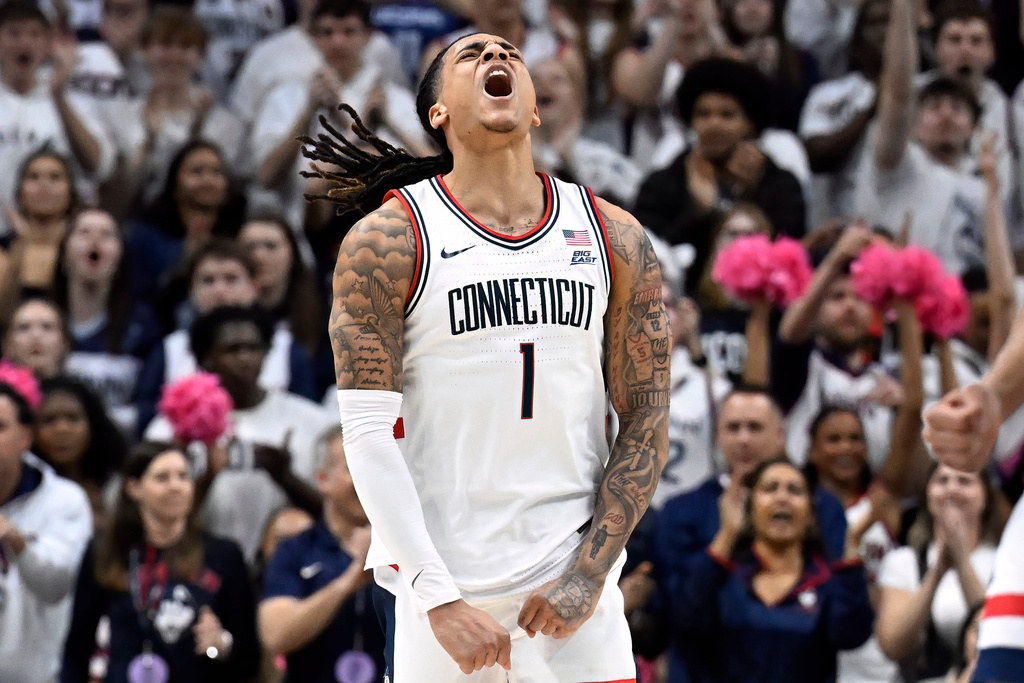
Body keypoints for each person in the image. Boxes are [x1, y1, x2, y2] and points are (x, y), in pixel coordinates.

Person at [307, 32, 668, 680]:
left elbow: (645, 417)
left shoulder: (613, 235)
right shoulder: (389, 240)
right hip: (445, 596)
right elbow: (367, 434)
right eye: (471, 56)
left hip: (573, 598)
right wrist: (436, 596)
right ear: (437, 112)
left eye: (510, 54)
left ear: (534, 108)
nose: (496, 59)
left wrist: (588, 574)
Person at [653, 388, 848, 681]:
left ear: (781, 435)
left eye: (755, 428)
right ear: (717, 435)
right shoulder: (680, 512)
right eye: (733, 428)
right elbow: (679, 613)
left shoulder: (822, 508)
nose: (743, 438)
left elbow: (838, 612)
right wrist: (725, 540)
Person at [60, 441, 260, 683]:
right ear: (134, 488)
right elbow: (77, 648)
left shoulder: (224, 555)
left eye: (183, 477)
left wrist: (220, 645)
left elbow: (249, 659)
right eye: (162, 478)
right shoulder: (106, 553)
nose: (175, 486)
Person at [144, 306, 332, 563]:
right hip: (198, 562)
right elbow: (152, 515)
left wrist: (285, 477)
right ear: (204, 358)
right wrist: (209, 474)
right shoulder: (170, 428)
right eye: (232, 350)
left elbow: (342, 515)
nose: (245, 358)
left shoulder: (312, 421)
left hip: (291, 568)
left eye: (254, 348)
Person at [671, 458, 874, 683]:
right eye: (770, 488)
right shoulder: (723, 574)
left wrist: (852, 552)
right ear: (749, 508)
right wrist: (727, 535)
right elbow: (685, 619)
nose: (782, 498)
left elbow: (851, 634)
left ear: (811, 514)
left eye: (794, 490)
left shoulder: (824, 580)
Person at [250, 0, 428, 238]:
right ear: (313, 39)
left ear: (368, 37)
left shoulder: (394, 99)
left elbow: (433, 171)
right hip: (304, 236)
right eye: (327, 32)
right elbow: (265, 177)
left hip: (393, 234)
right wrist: (308, 111)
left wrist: (386, 120)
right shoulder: (286, 97)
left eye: (349, 31)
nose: (338, 42)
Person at [633, 57, 806, 287]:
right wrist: (698, 212)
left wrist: (751, 198)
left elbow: (791, 248)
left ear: (750, 124)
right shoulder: (661, 184)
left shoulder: (780, 184)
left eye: (727, 115)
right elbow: (643, 253)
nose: (713, 124)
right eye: (703, 114)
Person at [854, 0, 989, 276]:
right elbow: (899, 93)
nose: (946, 115)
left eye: (957, 108)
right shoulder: (899, 165)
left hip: (964, 307)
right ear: (913, 125)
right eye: (934, 107)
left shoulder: (985, 188)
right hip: (899, 301)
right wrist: (903, 8)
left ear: (974, 129)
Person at [135, 239, 318, 432]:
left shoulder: (286, 348)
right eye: (208, 281)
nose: (219, 291)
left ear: (254, 286)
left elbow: (306, 416)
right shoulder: (170, 349)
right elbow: (148, 422)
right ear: (191, 290)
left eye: (231, 279)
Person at [259, 425, 386, 682]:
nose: (368, 477)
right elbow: (275, 635)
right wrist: (351, 580)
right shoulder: (294, 550)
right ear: (322, 480)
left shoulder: (406, 551)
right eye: (353, 467)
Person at [775, 225, 897, 472]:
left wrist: (905, 408)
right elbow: (790, 335)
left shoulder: (887, 380)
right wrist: (836, 259)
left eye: (860, 297)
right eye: (837, 297)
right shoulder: (801, 365)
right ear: (817, 306)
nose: (851, 307)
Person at [0, 376, 93, 683]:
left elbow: (55, 586)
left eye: (0, 427)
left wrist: (15, 539)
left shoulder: (64, 500)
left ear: (26, 436)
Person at [875, 462, 1002, 681]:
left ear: (985, 497)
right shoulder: (903, 561)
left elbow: (998, 635)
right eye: (942, 480)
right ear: (928, 496)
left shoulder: (1002, 562)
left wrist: (962, 562)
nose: (952, 488)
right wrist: (936, 574)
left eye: (965, 481)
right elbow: (892, 646)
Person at [0, 1, 114, 234]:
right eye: (14, 33)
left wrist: (59, 97)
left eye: (34, 34)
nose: (24, 42)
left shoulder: (70, 98)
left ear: (48, 43)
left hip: (57, 237)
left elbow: (99, 165)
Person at [53, 208, 162, 433]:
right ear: (64, 253)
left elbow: (152, 403)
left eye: (107, 234)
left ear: (121, 255)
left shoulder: (144, 324)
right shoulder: (41, 320)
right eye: (84, 232)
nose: (95, 240)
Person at [126, 140, 246, 311]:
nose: (207, 180)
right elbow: (138, 300)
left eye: (216, 172)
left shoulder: (241, 234)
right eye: (197, 172)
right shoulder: (146, 238)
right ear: (174, 183)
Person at [531, 53, 644, 207]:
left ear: (577, 97)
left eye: (557, 79)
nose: (544, 85)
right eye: (534, 80)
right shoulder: (507, 160)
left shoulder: (602, 160)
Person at [33, 376, 128, 529]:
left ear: (93, 424)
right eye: (49, 420)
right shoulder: (21, 490)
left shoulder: (118, 485)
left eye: (73, 418)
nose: (62, 429)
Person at [0, 151, 78, 322]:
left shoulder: (81, 245)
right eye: (33, 177)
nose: (44, 185)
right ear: (20, 191)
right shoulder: (3, 249)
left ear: (71, 192)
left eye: (55, 177)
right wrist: (23, 244)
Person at [2, 298, 71, 380]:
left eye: (47, 326)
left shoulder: (82, 390)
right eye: (24, 327)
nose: (36, 335)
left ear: (64, 342)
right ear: (8, 343)